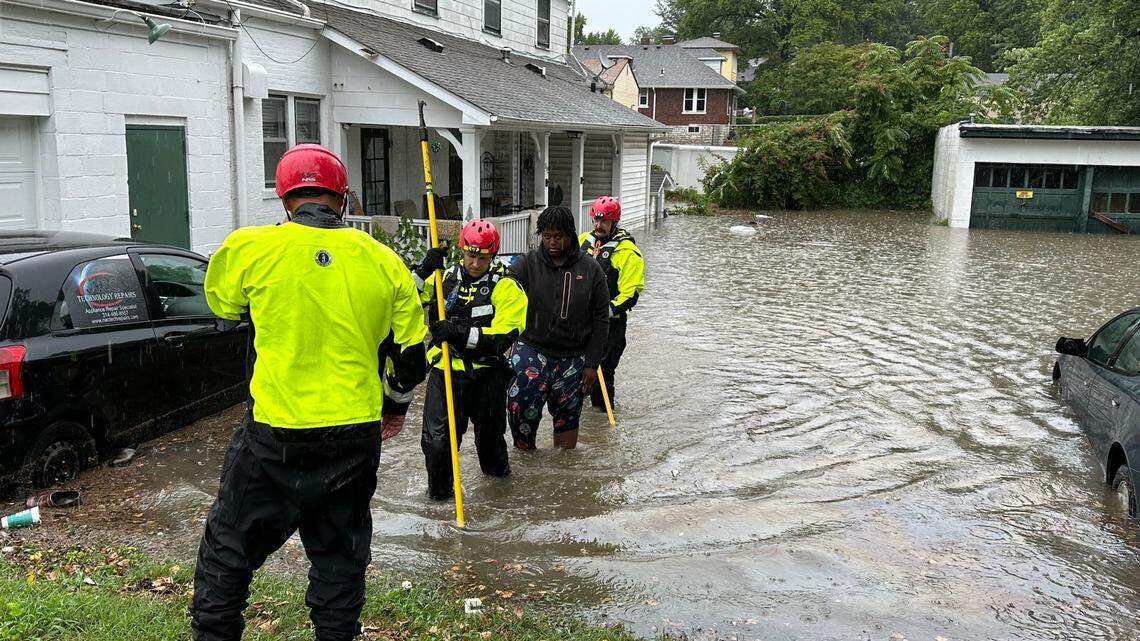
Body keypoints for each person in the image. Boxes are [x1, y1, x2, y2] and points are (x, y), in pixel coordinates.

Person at [190, 144, 428, 641]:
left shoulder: (249, 249)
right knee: (339, 565)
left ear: (284, 200)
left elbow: (224, 307)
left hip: (274, 434)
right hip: (353, 437)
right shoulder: (385, 262)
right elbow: (410, 356)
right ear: (342, 200)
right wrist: (395, 407)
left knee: (227, 554)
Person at [411, 220, 528, 500]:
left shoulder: (506, 286)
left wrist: (459, 333)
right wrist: (423, 270)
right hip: (446, 370)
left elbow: (504, 336)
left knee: (490, 446)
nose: (474, 263)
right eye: (470, 256)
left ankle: (499, 498)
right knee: (438, 444)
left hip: (487, 375)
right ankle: (438, 502)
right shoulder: (444, 278)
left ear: (493, 256)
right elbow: (405, 297)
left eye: (482, 258)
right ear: (462, 251)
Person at [507, 206, 610, 450]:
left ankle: (563, 469)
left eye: (558, 237)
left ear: (570, 235)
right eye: (546, 236)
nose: (552, 242)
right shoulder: (527, 264)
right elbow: (502, 291)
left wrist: (592, 364)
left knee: (568, 422)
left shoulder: (591, 270)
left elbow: (601, 320)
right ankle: (527, 467)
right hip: (531, 350)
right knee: (521, 412)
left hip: (573, 358)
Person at [578, 196, 645, 409]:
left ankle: (602, 423)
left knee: (603, 373)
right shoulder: (582, 242)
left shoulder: (627, 252)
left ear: (614, 221)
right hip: (582, 321)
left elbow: (630, 293)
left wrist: (604, 312)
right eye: (595, 221)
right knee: (577, 371)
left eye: (604, 221)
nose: (598, 225)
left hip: (611, 324)